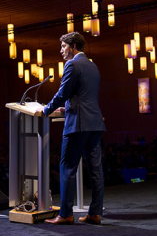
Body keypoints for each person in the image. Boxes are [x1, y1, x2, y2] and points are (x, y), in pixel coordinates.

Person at [37, 32, 106, 225]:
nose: (61, 51)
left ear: (74, 45)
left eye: (63, 46)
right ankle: (95, 213)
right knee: (96, 170)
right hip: (95, 123)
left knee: (67, 167)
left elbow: (63, 92)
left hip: (78, 124)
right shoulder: (93, 66)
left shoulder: (72, 65)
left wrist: (47, 109)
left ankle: (66, 214)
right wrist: (66, 107)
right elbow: (83, 95)